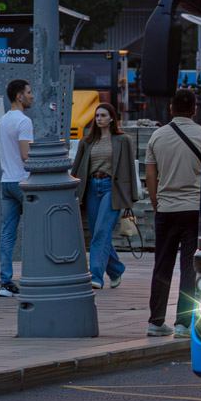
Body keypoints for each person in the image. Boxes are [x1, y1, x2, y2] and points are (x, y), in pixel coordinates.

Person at [146, 88, 201, 338]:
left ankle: (156, 321)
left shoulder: (157, 137)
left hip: (167, 209)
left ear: (171, 109)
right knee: (190, 267)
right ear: (195, 109)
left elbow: (151, 177)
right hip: (194, 210)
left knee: (162, 265)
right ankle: (183, 324)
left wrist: (157, 204)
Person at [73, 102, 136, 290]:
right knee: (98, 234)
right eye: (97, 115)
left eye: (103, 116)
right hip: (91, 187)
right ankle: (116, 269)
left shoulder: (123, 140)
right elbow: (77, 168)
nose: (99, 118)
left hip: (111, 188)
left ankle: (97, 276)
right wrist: (74, 192)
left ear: (111, 119)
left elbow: (130, 169)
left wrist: (130, 197)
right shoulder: (87, 141)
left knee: (101, 232)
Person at [0, 79, 34, 297]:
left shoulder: (3, 120)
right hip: (23, 181)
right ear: (19, 97)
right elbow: (25, 155)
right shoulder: (24, 121)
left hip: (6, 181)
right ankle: (33, 275)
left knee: (7, 234)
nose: (32, 96)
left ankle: (5, 282)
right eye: (29, 92)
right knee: (34, 232)